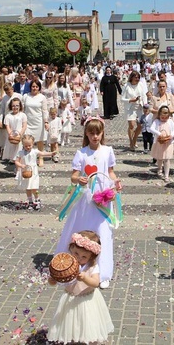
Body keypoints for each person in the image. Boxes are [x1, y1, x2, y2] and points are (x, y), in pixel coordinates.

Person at [56, 118, 121, 289]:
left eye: (97, 133)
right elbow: (73, 176)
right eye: (91, 133)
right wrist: (79, 179)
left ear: (102, 133)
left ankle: (102, 272)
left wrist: (115, 183)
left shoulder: (108, 151)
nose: (95, 136)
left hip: (103, 196)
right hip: (86, 198)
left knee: (103, 232)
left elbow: (110, 173)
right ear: (86, 133)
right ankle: (73, 265)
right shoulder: (82, 153)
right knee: (82, 230)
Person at [47, 231, 114, 344]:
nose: (79, 258)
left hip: (87, 300)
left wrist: (85, 278)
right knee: (70, 321)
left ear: (91, 257)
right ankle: (72, 337)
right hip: (71, 298)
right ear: (71, 248)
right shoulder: (67, 264)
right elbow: (58, 281)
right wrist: (52, 280)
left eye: (84, 257)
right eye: (76, 253)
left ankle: (88, 339)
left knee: (87, 321)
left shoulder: (92, 266)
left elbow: (95, 283)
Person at [14, 134, 55, 210]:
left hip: (33, 172)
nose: (28, 147)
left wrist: (51, 153)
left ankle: (37, 199)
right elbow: (16, 161)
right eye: (26, 146)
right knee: (28, 187)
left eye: (29, 145)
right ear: (23, 144)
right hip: (25, 171)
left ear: (33, 144)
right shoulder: (20, 152)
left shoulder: (34, 151)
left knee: (34, 187)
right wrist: (21, 165)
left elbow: (42, 153)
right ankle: (30, 201)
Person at [23, 80, 50, 166]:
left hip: (38, 121)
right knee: (27, 140)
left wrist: (46, 122)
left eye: (36, 87)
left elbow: (45, 110)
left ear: (39, 88)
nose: (34, 88)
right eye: (33, 86)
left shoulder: (42, 97)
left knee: (39, 140)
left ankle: (40, 157)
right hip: (28, 121)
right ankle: (27, 158)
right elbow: (23, 109)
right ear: (30, 87)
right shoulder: (25, 96)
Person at [121, 71, 149, 151]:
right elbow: (122, 98)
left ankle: (134, 139)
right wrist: (130, 100)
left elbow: (144, 95)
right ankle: (131, 143)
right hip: (130, 108)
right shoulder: (126, 86)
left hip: (139, 107)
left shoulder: (141, 85)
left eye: (138, 77)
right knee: (132, 125)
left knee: (140, 125)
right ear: (132, 77)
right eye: (135, 77)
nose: (137, 79)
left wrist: (145, 105)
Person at [149, 106, 174, 182]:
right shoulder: (156, 121)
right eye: (162, 117)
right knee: (160, 158)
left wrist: (171, 136)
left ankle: (166, 175)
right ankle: (159, 169)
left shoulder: (170, 121)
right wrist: (158, 133)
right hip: (159, 143)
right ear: (159, 115)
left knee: (167, 159)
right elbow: (151, 128)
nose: (164, 119)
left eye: (165, 117)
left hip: (168, 143)